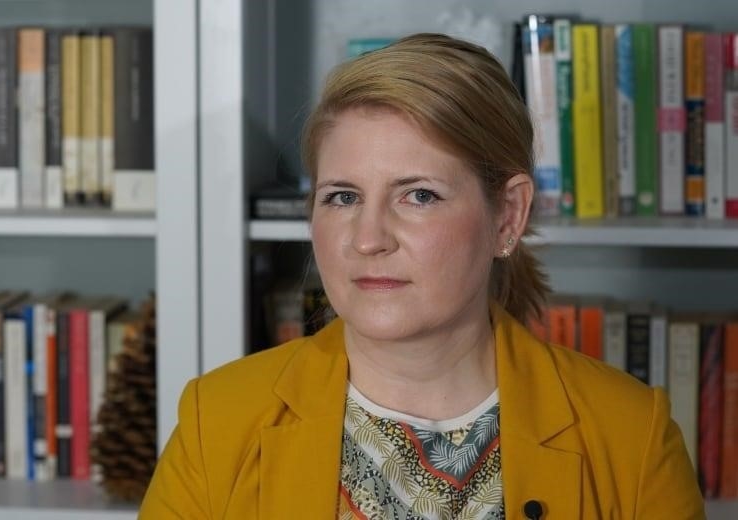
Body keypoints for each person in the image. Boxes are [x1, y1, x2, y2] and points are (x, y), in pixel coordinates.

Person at [139, 33, 704, 519]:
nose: (367, 238)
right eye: (342, 196)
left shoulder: (633, 436)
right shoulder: (216, 420)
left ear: (507, 215)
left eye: (419, 195)